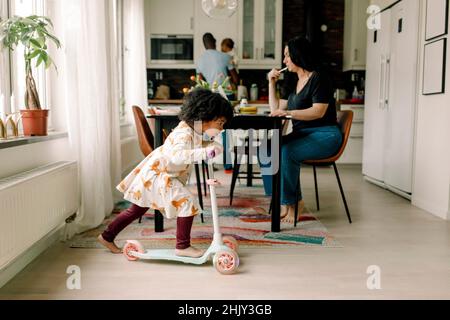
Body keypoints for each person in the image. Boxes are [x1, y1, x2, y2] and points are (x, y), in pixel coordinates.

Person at [98, 89, 233, 258]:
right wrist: (205, 152)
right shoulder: (183, 134)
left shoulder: (195, 129)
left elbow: (199, 144)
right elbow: (177, 156)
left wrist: (210, 146)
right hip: (159, 176)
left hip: (156, 174)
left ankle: (106, 236)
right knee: (187, 202)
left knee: (136, 210)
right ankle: (182, 246)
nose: (221, 129)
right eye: (220, 123)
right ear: (206, 116)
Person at [264, 36, 343, 224]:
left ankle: (293, 204)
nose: (284, 61)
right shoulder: (292, 81)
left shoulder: (319, 77)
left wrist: (289, 113)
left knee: (286, 151)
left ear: (298, 55)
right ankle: (283, 201)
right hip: (302, 135)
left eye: (287, 56)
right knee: (268, 149)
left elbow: (318, 111)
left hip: (325, 134)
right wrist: (271, 83)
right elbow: (276, 109)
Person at [196, 33, 239, 172]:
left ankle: (206, 162)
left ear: (203, 44)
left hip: (210, 98)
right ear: (215, 42)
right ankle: (228, 166)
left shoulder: (200, 59)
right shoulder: (225, 57)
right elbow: (236, 79)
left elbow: (199, 80)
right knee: (226, 129)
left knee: (207, 129)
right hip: (226, 97)